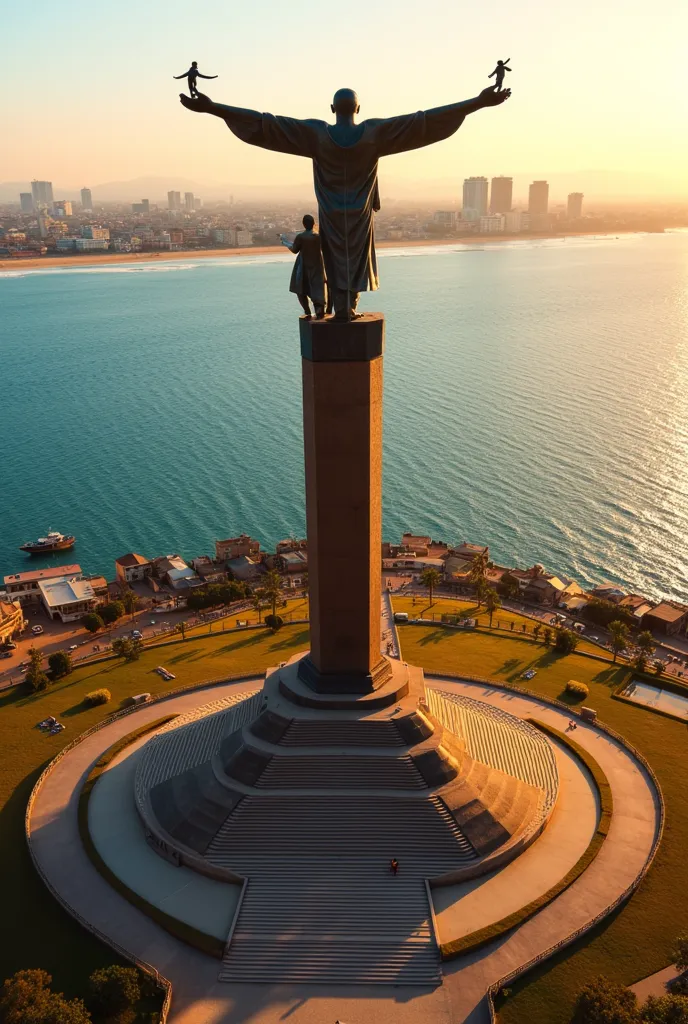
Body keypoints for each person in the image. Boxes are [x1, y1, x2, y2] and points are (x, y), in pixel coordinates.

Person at [179, 85, 510, 321]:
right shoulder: (375, 133)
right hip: (361, 213)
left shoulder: (316, 135)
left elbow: (267, 124)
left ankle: (341, 309)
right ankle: (348, 307)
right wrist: (476, 103)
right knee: (355, 256)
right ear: (358, 109)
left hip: (331, 213)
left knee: (335, 257)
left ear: (332, 109)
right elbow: (423, 122)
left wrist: (214, 108)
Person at [280, 215, 328, 318]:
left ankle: (307, 311)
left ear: (303, 224)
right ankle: (319, 310)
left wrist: (286, 244)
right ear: (313, 223)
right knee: (318, 288)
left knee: (301, 289)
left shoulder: (301, 237)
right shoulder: (318, 236)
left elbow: (294, 250)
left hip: (304, 265)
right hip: (317, 265)